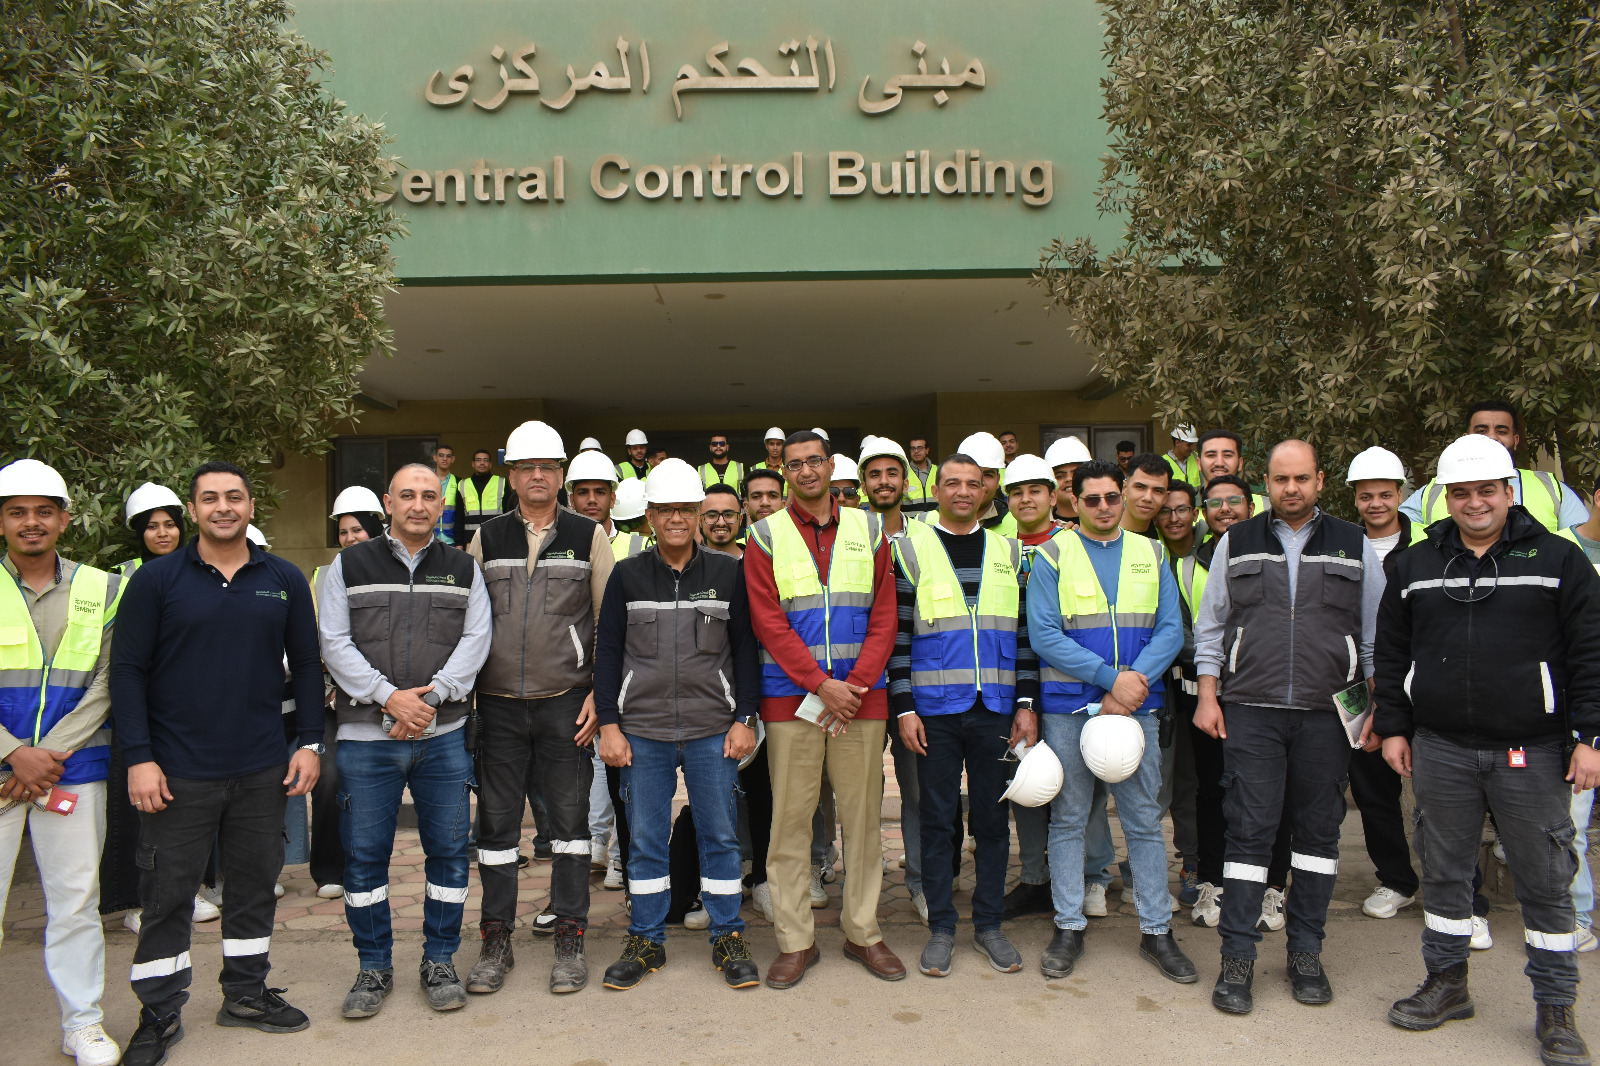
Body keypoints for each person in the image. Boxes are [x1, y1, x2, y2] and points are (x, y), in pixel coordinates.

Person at [1376, 433, 1600, 1065]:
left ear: (1508, 492)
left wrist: (1590, 739)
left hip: (1533, 751)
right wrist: (1394, 726)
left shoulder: (1558, 558)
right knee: (1445, 874)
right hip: (1441, 747)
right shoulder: (1414, 565)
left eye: (1486, 491)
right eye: (1461, 493)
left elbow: (1590, 653)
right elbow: (1391, 652)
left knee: (1546, 881)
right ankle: (1447, 983)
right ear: (1446, 498)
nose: (1474, 503)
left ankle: (1556, 1009)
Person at [111, 461, 324, 1065]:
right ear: (193, 509)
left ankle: (246, 994)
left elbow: (308, 664)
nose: (223, 507)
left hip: (261, 768)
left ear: (251, 506)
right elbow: (127, 671)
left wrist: (310, 743)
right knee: (168, 895)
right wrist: (140, 758)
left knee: (253, 888)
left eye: (234, 497)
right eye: (210, 498)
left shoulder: (282, 578)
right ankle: (159, 1013)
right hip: (177, 770)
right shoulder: (157, 580)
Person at [1192, 441, 1383, 1014]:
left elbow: (1374, 637)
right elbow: (1211, 627)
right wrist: (1208, 696)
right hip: (1251, 709)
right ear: (1266, 483)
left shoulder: (1354, 543)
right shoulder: (1236, 541)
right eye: (1281, 479)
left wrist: (1373, 709)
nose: (1291, 488)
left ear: (1320, 480)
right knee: (1248, 833)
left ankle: (1306, 953)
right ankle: (1237, 957)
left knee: (1319, 837)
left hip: (1329, 712)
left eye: (1301, 478)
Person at [317, 464, 491, 1017]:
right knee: (365, 859)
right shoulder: (348, 565)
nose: (419, 505)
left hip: (444, 737)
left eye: (429, 496)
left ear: (441, 505)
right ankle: (373, 966)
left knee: (449, 855)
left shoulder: (463, 568)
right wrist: (389, 697)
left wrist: (430, 699)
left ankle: (440, 960)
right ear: (388, 503)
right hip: (367, 739)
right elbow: (333, 641)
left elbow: (476, 639)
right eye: (407, 495)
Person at [593, 460, 762, 990]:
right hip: (642, 731)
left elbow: (746, 651)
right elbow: (608, 652)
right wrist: (608, 725)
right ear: (649, 516)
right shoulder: (627, 575)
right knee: (646, 838)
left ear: (698, 515)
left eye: (685, 510)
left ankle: (727, 936)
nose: (676, 519)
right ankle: (646, 940)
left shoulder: (727, 574)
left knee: (720, 836)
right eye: (665, 510)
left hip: (714, 729)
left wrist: (745, 718)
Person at [745, 430, 905, 988]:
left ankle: (864, 932)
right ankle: (795, 941)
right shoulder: (765, 534)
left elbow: (885, 612)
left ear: (832, 465)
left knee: (862, 821)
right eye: (795, 465)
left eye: (815, 461)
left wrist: (852, 686)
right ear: (783, 471)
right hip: (791, 700)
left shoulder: (870, 528)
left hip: (861, 698)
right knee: (789, 821)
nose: (807, 471)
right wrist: (820, 683)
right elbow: (768, 620)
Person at [1029, 459, 1193, 983]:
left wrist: (1131, 684)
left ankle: (1157, 930)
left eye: (1111, 497)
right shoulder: (1052, 554)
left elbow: (1170, 629)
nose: (1103, 507)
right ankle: (1068, 925)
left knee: (1143, 819)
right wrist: (1110, 679)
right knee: (1070, 818)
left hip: (1137, 705)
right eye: (1092, 499)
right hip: (1069, 708)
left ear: (1122, 497)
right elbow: (1044, 634)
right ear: (1073, 502)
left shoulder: (1151, 552)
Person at [465, 421, 612, 996]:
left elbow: (608, 623)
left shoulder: (587, 535)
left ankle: (570, 938)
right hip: (498, 706)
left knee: (571, 828)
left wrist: (599, 693)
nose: (537, 476)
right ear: (511, 477)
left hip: (567, 705)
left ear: (561, 474)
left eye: (547, 467)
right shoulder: (487, 538)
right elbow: (468, 623)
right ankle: (495, 939)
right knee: (497, 827)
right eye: (526, 468)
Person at [892, 452, 1038, 978]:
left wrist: (1026, 704)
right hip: (933, 712)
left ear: (985, 491)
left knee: (993, 820)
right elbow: (898, 635)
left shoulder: (1010, 551)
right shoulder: (910, 550)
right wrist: (904, 706)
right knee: (937, 819)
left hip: (995, 709)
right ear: (936, 490)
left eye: (972, 484)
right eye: (951, 482)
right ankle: (941, 929)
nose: (961, 491)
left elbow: (1024, 636)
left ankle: (990, 926)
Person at [0, 460, 123, 1066]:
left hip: (71, 773)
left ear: (65, 520)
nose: (32, 522)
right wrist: (11, 753)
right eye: (17, 511)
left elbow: (109, 681)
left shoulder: (103, 588)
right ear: (1, 521)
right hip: (2, 771)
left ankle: (83, 1024)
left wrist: (44, 758)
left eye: (44, 511)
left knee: (75, 905)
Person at [1184, 476, 1294, 931]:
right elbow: (1198, 627)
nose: (1225, 508)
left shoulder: (1279, 550)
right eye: (1215, 502)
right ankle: (1213, 880)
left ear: (1252, 505)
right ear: (1203, 512)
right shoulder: (1188, 564)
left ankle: (1272, 886)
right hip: (1209, 693)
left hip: (1267, 693)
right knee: (1214, 792)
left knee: (1276, 794)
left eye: (1234, 500)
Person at [105, 484, 212, 932]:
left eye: (170, 524)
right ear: (138, 532)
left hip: (190, 705)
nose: (163, 533)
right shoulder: (118, 578)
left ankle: (191, 888)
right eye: (152, 526)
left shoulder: (201, 567)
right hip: (139, 704)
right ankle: (138, 901)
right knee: (137, 806)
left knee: (191, 801)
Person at [1344, 447, 1423, 922]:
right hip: (1358, 687)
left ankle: (1458, 891)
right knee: (1373, 790)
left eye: (1385, 495)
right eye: (1366, 496)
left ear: (1400, 494)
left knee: (1436, 792)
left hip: (1419, 683)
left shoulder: (1428, 547)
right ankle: (1397, 881)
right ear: (1355, 498)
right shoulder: (1343, 545)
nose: (1375, 504)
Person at [997, 455, 1070, 922]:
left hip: (1065, 682)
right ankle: (1035, 878)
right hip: (1012, 681)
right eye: (1016, 492)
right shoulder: (1000, 548)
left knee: (1073, 790)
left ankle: (1079, 878)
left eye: (1035, 490)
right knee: (1024, 781)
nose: (1026, 499)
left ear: (1052, 495)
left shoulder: (1072, 544)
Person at [1402, 400, 1588, 531]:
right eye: (1481, 431)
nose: (1491, 437)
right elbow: (1396, 536)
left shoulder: (1551, 488)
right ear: (1466, 438)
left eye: (1501, 431)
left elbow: (1583, 543)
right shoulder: (1434, 490)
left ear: (1516, 440)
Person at [1156, 480, 1202, 906]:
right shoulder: (1148, 553)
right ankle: (1192, 863)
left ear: (1195, 511)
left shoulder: (1212, 552)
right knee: (1181, 781)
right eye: (1165, 510)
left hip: (1219, 681)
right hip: (1169, 689)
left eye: (1182, 509)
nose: (1174, 518)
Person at [1195, 430, 1269, 517]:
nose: (1219, 463)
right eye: (1211, 455)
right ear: (1199, 463)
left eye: (1227, 455)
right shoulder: (1187, 509)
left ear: (1240, 463)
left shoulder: (1267, 508)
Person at [455, 449, 509, 545]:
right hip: (471, 540)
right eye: (478, 460)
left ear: (490, 464)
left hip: (497, 538)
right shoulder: (463, 484)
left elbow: (509, 513)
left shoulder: (502, 482)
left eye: (486, 460)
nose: (482, 463)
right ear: (473, 464)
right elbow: (459, 517)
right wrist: (459, 543)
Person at [1120, 454, 1171, 539]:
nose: (1148, 498)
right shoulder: (1103, 537)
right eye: (1140, 487)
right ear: (1125, 488)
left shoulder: (1167, 538)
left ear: (1166, 497)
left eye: (1158, 491)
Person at [1046, 435, 1093, 526]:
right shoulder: (1042, 526)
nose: (1069, 479)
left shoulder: (1108, 520)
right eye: (1060, 476)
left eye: (1075, 473)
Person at [699, 484, 744, 555]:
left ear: (740, 519)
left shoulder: (757, 560)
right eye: (712, 515)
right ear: (700, 520)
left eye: (728, 515)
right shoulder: (689, 561)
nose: (721, 523)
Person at [432, 445, 458, 544]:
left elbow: (460, 514)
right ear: (435, 458)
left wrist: (459, 541)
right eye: (441, 455)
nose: (444, 459)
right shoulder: (426, 481)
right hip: (429, 537)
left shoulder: (459, 482)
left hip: (451, 538)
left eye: (448, 456)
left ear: (453, 459)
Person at [904, 436, 936, 514]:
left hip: (934, 520)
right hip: (910, 520)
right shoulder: (903, 472)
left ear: (927, 450)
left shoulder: (938, 471)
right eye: (913, 448)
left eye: (920, 448)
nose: (916, 451)